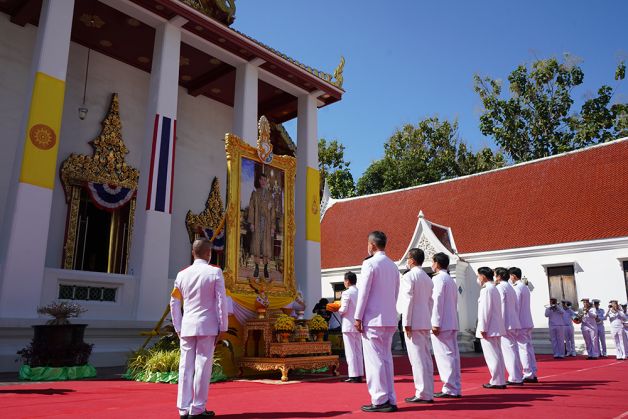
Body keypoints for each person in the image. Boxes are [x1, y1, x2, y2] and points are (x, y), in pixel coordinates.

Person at [170, 238, 228, 418]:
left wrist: (178, 326)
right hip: (207, 326)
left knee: (185, 366)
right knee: (202, 366)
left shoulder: (182, 275)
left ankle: (183, 408)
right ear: (209, 254)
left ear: (193, 253)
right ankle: (197, 408)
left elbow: (174, 302)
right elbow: (221, 301)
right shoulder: (215, 272)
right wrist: (223, 326)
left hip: (187, 326)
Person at [354, 231, 400, 413]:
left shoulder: (370, 263)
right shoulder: (393, 266)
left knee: (374, 361)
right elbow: (395, 293)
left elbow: (363, 292)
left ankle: (380, 399)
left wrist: (358, 316)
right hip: (388, 318)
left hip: (373, 319)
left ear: (372, 245)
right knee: (386, 359)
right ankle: (390, 398)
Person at [396, 248, 434, 403]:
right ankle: (428, 391)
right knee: (425, 357)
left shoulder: (409, 276)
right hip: (424, 321)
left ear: (412, 260)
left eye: (408, 258)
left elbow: (408, 300)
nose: (407, 261)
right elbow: (430, 302)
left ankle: (422, 393)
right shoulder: (427, 278)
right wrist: (428, 319)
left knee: (417, 359)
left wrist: (406, 322)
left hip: (413, 322)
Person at [431, 252, 462, 398]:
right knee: (452, 355)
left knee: (444, 356)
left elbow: (437, 301)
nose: (432, 265)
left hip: (442, 323)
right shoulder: (450, 279)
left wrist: (435, 322)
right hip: (451, 321)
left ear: (437, 263)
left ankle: (450, 388)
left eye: (433, 262)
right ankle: (454, 386)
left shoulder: (438, 279)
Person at [476, 267, 507, 389]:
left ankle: (497, 381)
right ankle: (500, 379)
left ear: (483, 276)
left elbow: (485, 310)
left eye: (478, 276)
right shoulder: (493, 288)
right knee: (497, 354)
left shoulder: (486, 289)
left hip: (489, 328)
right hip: (495, 327)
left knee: (492, 356)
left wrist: (483, 328)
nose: (478, 279)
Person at [494, 267, 523, 385]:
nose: (494, 278)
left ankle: (515, 377)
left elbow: (500, 306)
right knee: (513, 349)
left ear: (499, 276)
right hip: (513, 321)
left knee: (509, 351)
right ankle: (517, 375)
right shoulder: (510, 287)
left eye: (495, 275)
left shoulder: (500, 287)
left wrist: (499, 323)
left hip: (505, 323)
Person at [509, 267, 538, 383]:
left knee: (523, 348)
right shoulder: (525, 287)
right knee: (528, 347)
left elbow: (516, 306)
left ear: (514, 276)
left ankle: (528, 373)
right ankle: (532, 371)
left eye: (510, 276)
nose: (510, 278)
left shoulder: (517, 287)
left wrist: (513, 321)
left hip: (520, 322)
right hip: (527, 321)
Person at [248, 173, 276, 279]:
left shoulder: (270, 196)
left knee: (266, 246)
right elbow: (251, 208)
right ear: (259, 181)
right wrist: (252, 223)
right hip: (257, 222)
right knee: (256, 245)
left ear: (266, 181)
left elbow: (273, 212)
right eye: (262, 180)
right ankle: (256, 267)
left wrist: (272, 226)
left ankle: (265, 268)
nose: (263, 182)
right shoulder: (255, 194)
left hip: (267, 224)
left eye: (265, 180)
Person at [338, 271, 364, 383]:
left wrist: (336, 309)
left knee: (350, 351)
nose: (344, 283)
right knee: (358, 350)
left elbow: (343, 309)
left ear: (347, 281)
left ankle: (353, 375)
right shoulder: (360, 292)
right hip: (358, 324)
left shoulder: (346, 293)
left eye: (345, 280)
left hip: (348, 325)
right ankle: (359, 373)